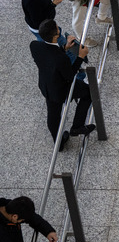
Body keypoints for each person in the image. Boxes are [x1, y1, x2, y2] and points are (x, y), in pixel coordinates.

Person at [30, 19, 96, 152]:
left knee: (53, 115)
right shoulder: (61, 59)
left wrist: (64, 48)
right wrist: (80, 57)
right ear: (56, 35)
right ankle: (77, 126)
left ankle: (58, 143)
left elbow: (50, 57)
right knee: (89, 93)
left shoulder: (34, 46)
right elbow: (70, 75)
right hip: (61, 88)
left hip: (47, 86)